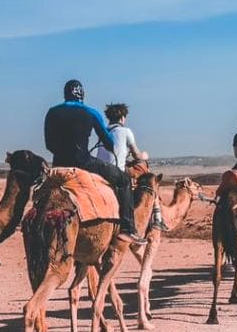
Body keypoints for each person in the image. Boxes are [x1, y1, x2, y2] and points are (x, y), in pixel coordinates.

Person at [44, 80, 140, 242]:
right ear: (82, 94)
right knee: (123, 180)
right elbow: (110, 143)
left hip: (59, 164)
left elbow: (49, 145)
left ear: (65, 93)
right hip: (83, 162)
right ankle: (127, 228)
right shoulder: (91, 112)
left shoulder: (51, 112)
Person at [96, 102, 168, 232]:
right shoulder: (125, 131)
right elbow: (137, 155)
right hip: (116, 171)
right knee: (147, 172)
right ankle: (156, 217)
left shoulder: (103, 132)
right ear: (123, 117)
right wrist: (145, 155)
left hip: (99, 170)